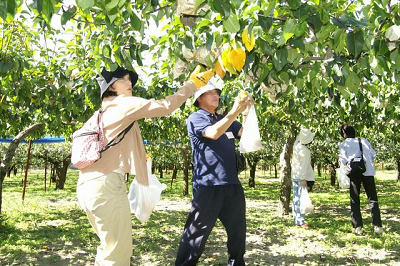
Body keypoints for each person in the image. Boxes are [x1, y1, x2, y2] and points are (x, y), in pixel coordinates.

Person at [76, 65, 214, 265]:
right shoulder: (122, 104)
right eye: (124, 79)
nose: (129, 82)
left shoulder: (103, 111)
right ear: (111, 86)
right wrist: (193, 85)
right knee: (117, 253)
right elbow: (166, 106)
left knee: (108, 247)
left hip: (88, 185)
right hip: (106, 184)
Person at [175, 79, 252, 266]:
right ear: (199, 98)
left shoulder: (223, 118)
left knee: (237, 230)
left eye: (217, 92)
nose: (216, 95)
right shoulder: (196, 118)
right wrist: (234, 112)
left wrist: (247, 113)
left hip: (231, 183)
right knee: (196, 232)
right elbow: (213, 134)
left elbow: (246, 133)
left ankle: (236, 262)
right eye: (211, 93)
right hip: (208, 185)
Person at [338, 124, 383, 235]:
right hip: (368, 172)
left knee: (355, 200)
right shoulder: (363, 140)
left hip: (355, 173)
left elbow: (343, 161)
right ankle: (377, 226)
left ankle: (358, 227)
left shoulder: (344, 144)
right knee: (373, 199)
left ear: (344, 134)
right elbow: (373, 154)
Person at [291, 128, 315, 228]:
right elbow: (304, 166)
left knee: (296, 198)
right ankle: (301, 221)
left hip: (295, 176)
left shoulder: (296, 147)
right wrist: (304, 179)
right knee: (300, 198)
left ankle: (297, 219)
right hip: (301, 177)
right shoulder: (305, 151)